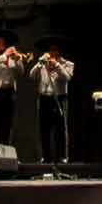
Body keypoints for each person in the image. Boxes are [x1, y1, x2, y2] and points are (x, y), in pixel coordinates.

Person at [30, 35, 74, 163]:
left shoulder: (67, 64)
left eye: (55, 50)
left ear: (59, 51)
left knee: (60, 128)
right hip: (44, 98)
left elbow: (67, 78)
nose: (52, 53)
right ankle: (46, 157)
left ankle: (62, 156)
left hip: (59, 98)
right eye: (50, 50)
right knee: (44, 129)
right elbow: (32, 75)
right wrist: (39, 63)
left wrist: (57, 65)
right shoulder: (42, 63)